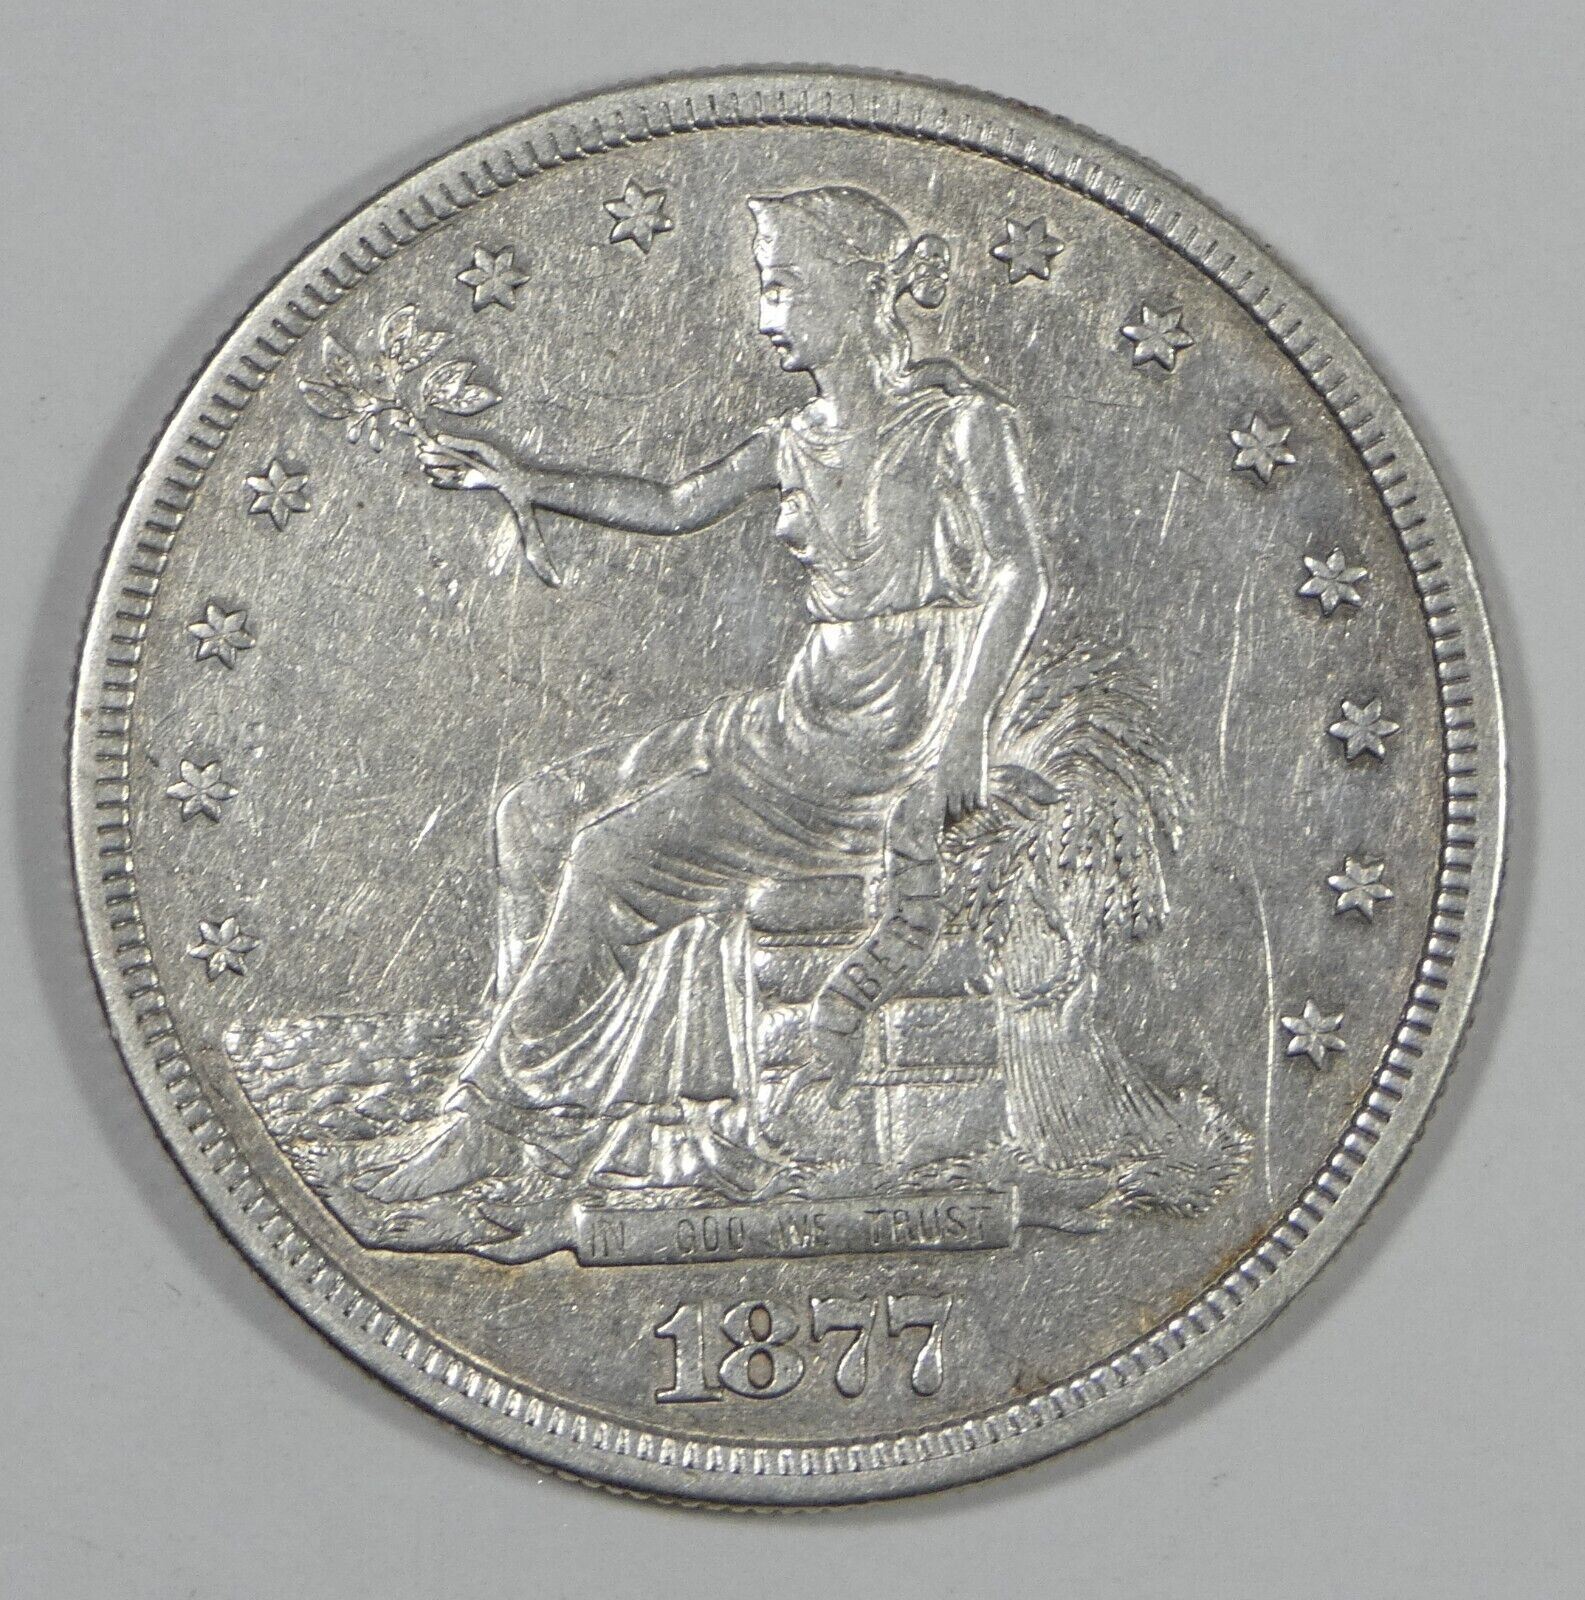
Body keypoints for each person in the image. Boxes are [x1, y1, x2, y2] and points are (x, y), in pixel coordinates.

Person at [362, 185, 1049, 1205]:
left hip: (876, 742)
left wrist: (965, 734)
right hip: (793, 721)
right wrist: (528, 480)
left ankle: (490, 1118)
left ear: (861, 290)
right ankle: (558, 1107)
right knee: (532, 812)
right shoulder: (792, 440)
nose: (767, 316)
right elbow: (675, 504)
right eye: (766, 289)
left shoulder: (959, 426)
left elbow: (1017, 573)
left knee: (606, 857)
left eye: (783, 287)